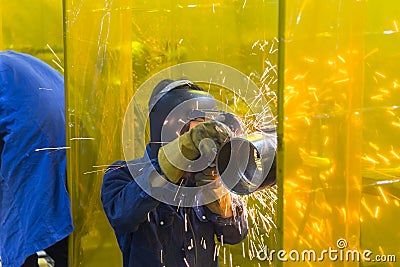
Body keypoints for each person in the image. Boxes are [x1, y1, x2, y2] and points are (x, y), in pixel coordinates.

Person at [101, 79, 248, 267]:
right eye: (198, 127)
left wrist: (217, 193)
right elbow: (123, 217)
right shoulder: (123, 174)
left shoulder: (207, 175)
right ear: (169, 125)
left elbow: (236, 234)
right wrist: (173, 161)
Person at [0, 51, 73, 267]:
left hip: (31, 139)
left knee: (18, 226)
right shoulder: (13, 60)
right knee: (55, 221)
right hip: (68, 135)